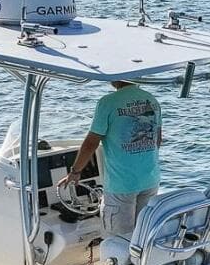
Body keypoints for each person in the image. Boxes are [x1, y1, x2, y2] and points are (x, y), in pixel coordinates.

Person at [62, 80, 162, 239]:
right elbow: (157, 140)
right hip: (150, 180)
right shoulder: (151, 99)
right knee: (143, 237)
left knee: (117, 241)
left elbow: (91, 143)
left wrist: (75, 172)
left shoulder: (107, 103)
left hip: (121, 184)